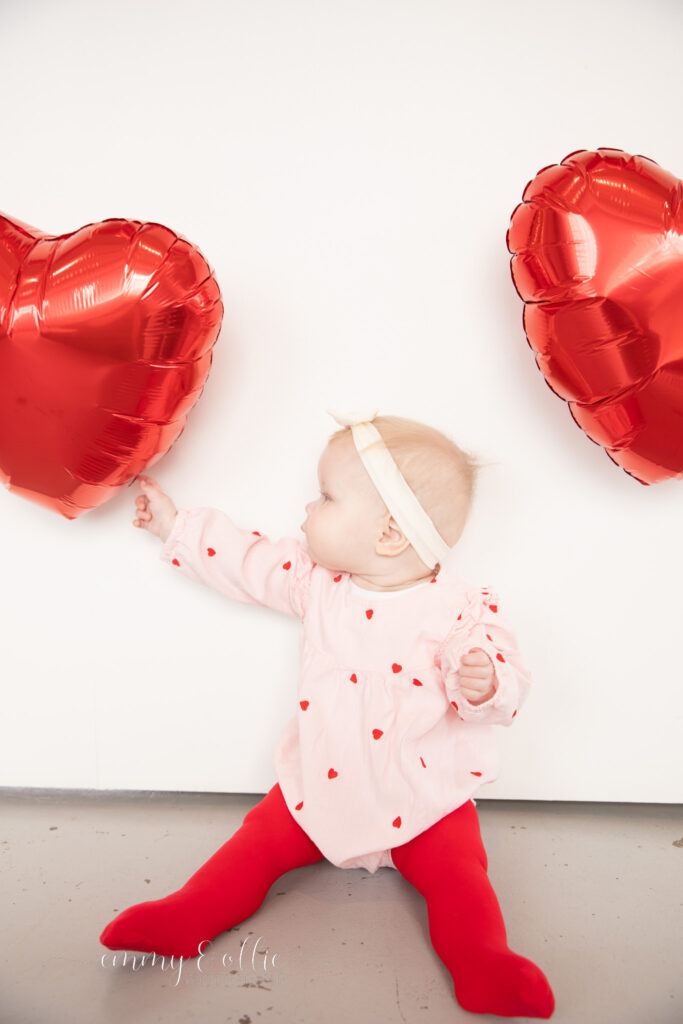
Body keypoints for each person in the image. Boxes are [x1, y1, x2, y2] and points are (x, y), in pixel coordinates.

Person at [99, 408, 555, 1019]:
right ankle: (188, 915)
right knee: (255, 845)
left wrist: (485, 681)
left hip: (424, 796)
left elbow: (506, 679)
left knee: (461, 874)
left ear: (389, 533)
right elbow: (248, 562)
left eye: (325, 497)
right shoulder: (318, 584)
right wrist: (175, 526)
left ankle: (483, 961)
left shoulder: (457, 611)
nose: (307, 510)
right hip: (321, 784)